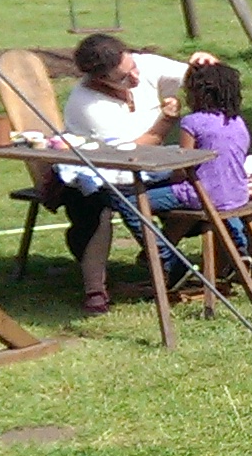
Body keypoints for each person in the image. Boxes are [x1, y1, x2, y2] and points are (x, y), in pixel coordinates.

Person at [59, 33, 220, 314]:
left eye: (132, 66)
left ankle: (170, 256)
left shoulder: (145, 65)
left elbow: (202, 80)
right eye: (123, 77)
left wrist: (207, 64)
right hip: (104, 171)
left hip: (147, 167)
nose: (135, 77)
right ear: (99, 79)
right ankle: (99, 287)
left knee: (204, 179)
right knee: (108, 203)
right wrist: (166, 120)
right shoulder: (87, 105)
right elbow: (131, 152)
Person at [140, 60, 252, 286]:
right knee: (186, 212)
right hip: (237, 193)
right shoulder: (238, 122)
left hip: (202, 195)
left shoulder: (192, 122)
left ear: (198, 94)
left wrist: (169, 178)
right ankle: (238, 250)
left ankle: (163, 255)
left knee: (134, 202)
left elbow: (184, 166)